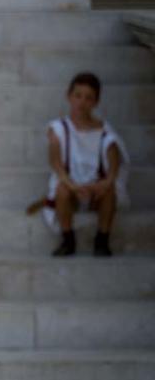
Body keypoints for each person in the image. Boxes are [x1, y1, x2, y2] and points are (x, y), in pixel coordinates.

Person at [44, 72, 129, 257]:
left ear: (96, 102)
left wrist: (105, 183)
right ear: (69, 96)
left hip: (95, 187)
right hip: (71, 184)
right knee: (61, 191)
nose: (82, 102)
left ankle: (102, 238)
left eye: (89, 98)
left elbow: (114, 160)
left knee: (109, 192)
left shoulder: (104, 129)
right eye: (78, 96)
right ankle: (68, 239)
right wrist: (72, 185)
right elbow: (56, 163)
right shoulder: (58, 128)